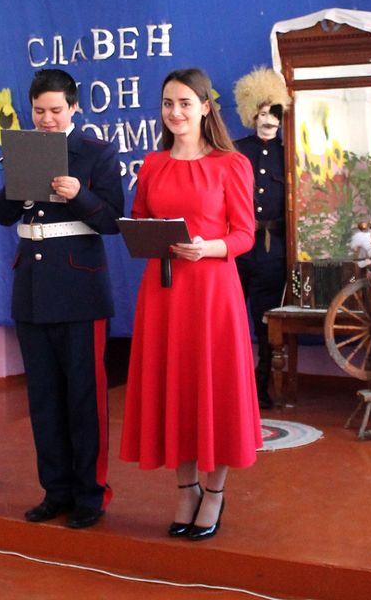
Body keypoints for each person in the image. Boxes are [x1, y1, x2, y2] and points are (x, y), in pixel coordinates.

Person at [120, 67, 261, 541]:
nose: (175, 112)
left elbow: (244, 234)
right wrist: (146, 235)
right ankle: (186, 489)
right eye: (168, 103)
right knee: (174, 387)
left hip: (212, 292)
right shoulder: (152, 163)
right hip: (162, 293)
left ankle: (215, 493)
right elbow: (139, 219)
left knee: (214, 389)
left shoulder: (230, 163)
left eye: (184, 103)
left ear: (204, 107)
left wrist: (208, 247)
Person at [0, 68, 124, 529]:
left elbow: (112, 221)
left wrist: (79, 195)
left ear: (74, 107)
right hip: (32, 290)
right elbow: (2, 215)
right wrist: (19, 185)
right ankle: (56, 490)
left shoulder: (95, 152)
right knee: (44, 398)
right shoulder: (24, 150)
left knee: (84, 399)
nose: (46, 119)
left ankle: (91, 493)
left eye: (55, 110)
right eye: (38, 111)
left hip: (80, 291)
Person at [233, 67, 291, 409]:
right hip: (237, 248)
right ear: (251, 114)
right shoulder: (235, 152)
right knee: (230, 318)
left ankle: (262, 382)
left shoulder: (289, 153)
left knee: (266, 320)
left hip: (273, 250)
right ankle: (230, 382)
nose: (269, 119)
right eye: (263, 112)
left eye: (275, 112)